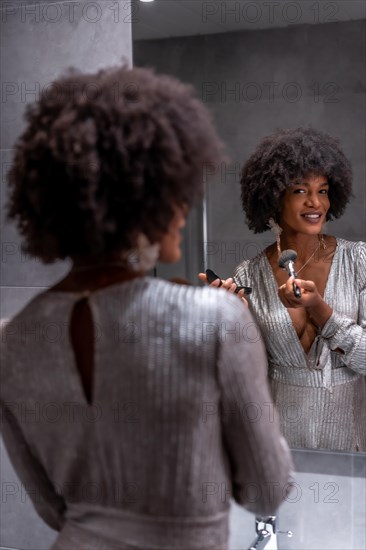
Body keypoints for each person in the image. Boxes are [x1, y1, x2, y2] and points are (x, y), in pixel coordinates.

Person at [0, 65, 293, 550]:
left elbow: (54, 510)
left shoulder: (9, 343)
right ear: (143, 197)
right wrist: (236, 351)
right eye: (175, 190)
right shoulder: (216, 320)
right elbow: (266, 489)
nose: (183, 208)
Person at [200, 127, 366, 452]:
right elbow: (250, 379)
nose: (315, 202)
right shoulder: (249, 273)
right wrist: (236, 322)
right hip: (281, 447)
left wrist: (323, 313)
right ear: (274, 197)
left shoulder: (359, 260)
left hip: (350, 447)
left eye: (323, 190)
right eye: (300, 191)